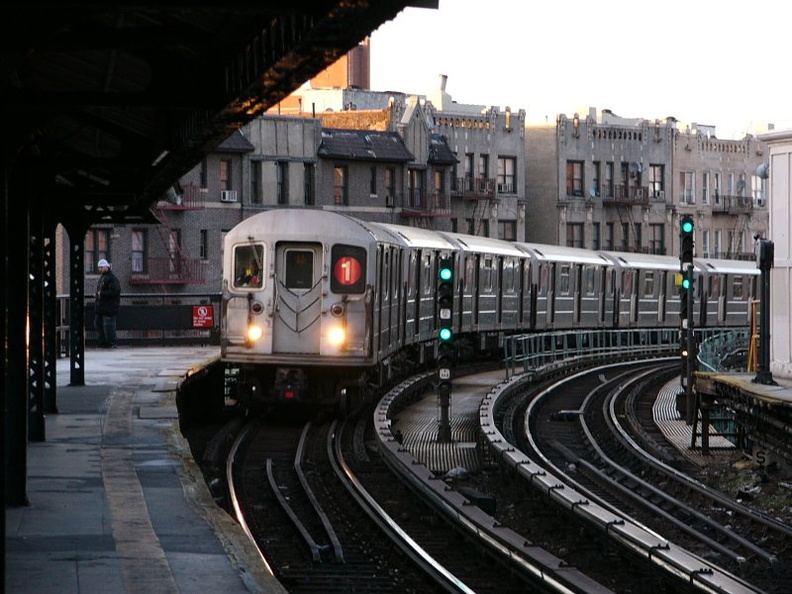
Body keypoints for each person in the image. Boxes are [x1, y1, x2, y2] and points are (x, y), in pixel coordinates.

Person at [94, 258, 121, 348]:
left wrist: (101, 293)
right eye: (99, 268)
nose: (100, 269)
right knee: (100, 325)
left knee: (109, 327)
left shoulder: (111, 278)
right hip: (102, 308)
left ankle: (111, 343)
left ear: (106, 267)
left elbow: (115, 291)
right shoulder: (105, 277)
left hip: (109, 308)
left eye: (101, 267)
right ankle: (104, 343)